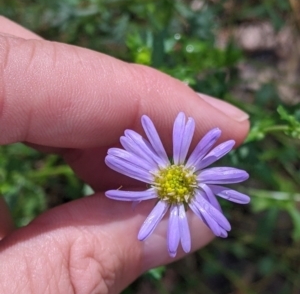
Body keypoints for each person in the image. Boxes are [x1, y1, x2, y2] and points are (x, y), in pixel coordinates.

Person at [0, 16, 249, 294]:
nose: (177, 183)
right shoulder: (167, 181)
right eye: (176, 181)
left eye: (179, 182)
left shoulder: (185, 181)